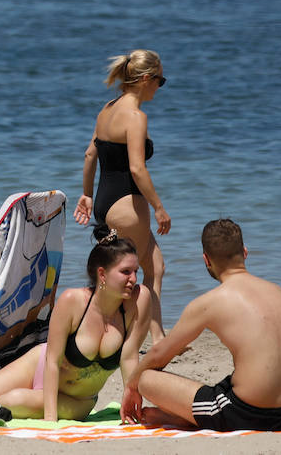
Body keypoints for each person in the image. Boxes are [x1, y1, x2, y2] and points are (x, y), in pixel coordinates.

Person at [124, 219, 281, 432]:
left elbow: (159, 354)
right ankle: (185, 417)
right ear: (245, 252)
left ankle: (188, 418)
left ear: (206, 260)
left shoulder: (210, 302)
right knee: (233, 382)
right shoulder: (279, 292)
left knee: (147, 378)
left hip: (247, 413)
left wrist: (131, 385)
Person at [0, 227, 152, 420]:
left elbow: (130, 357)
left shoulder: (138, 301)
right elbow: (52, 360)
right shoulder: (73, 301)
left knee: (9, 401)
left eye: (135, 272)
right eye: (126, 272)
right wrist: (51, 419)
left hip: (77, 401)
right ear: (102, 274)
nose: (133, 279)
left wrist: (132, 401)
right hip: (40, 363)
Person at [74, 50, 170, 344]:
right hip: (128, 205)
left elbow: (91, 154)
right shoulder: (135, 116)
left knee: (156, 267)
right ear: (144, 79)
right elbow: (137, 168)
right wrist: (159, 207)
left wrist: (87, 195)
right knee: (129, 278)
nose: (160, 86)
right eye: (159, 80)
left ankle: (159, 338)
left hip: (105, 202)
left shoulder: (107, 108)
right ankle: (121, 339)